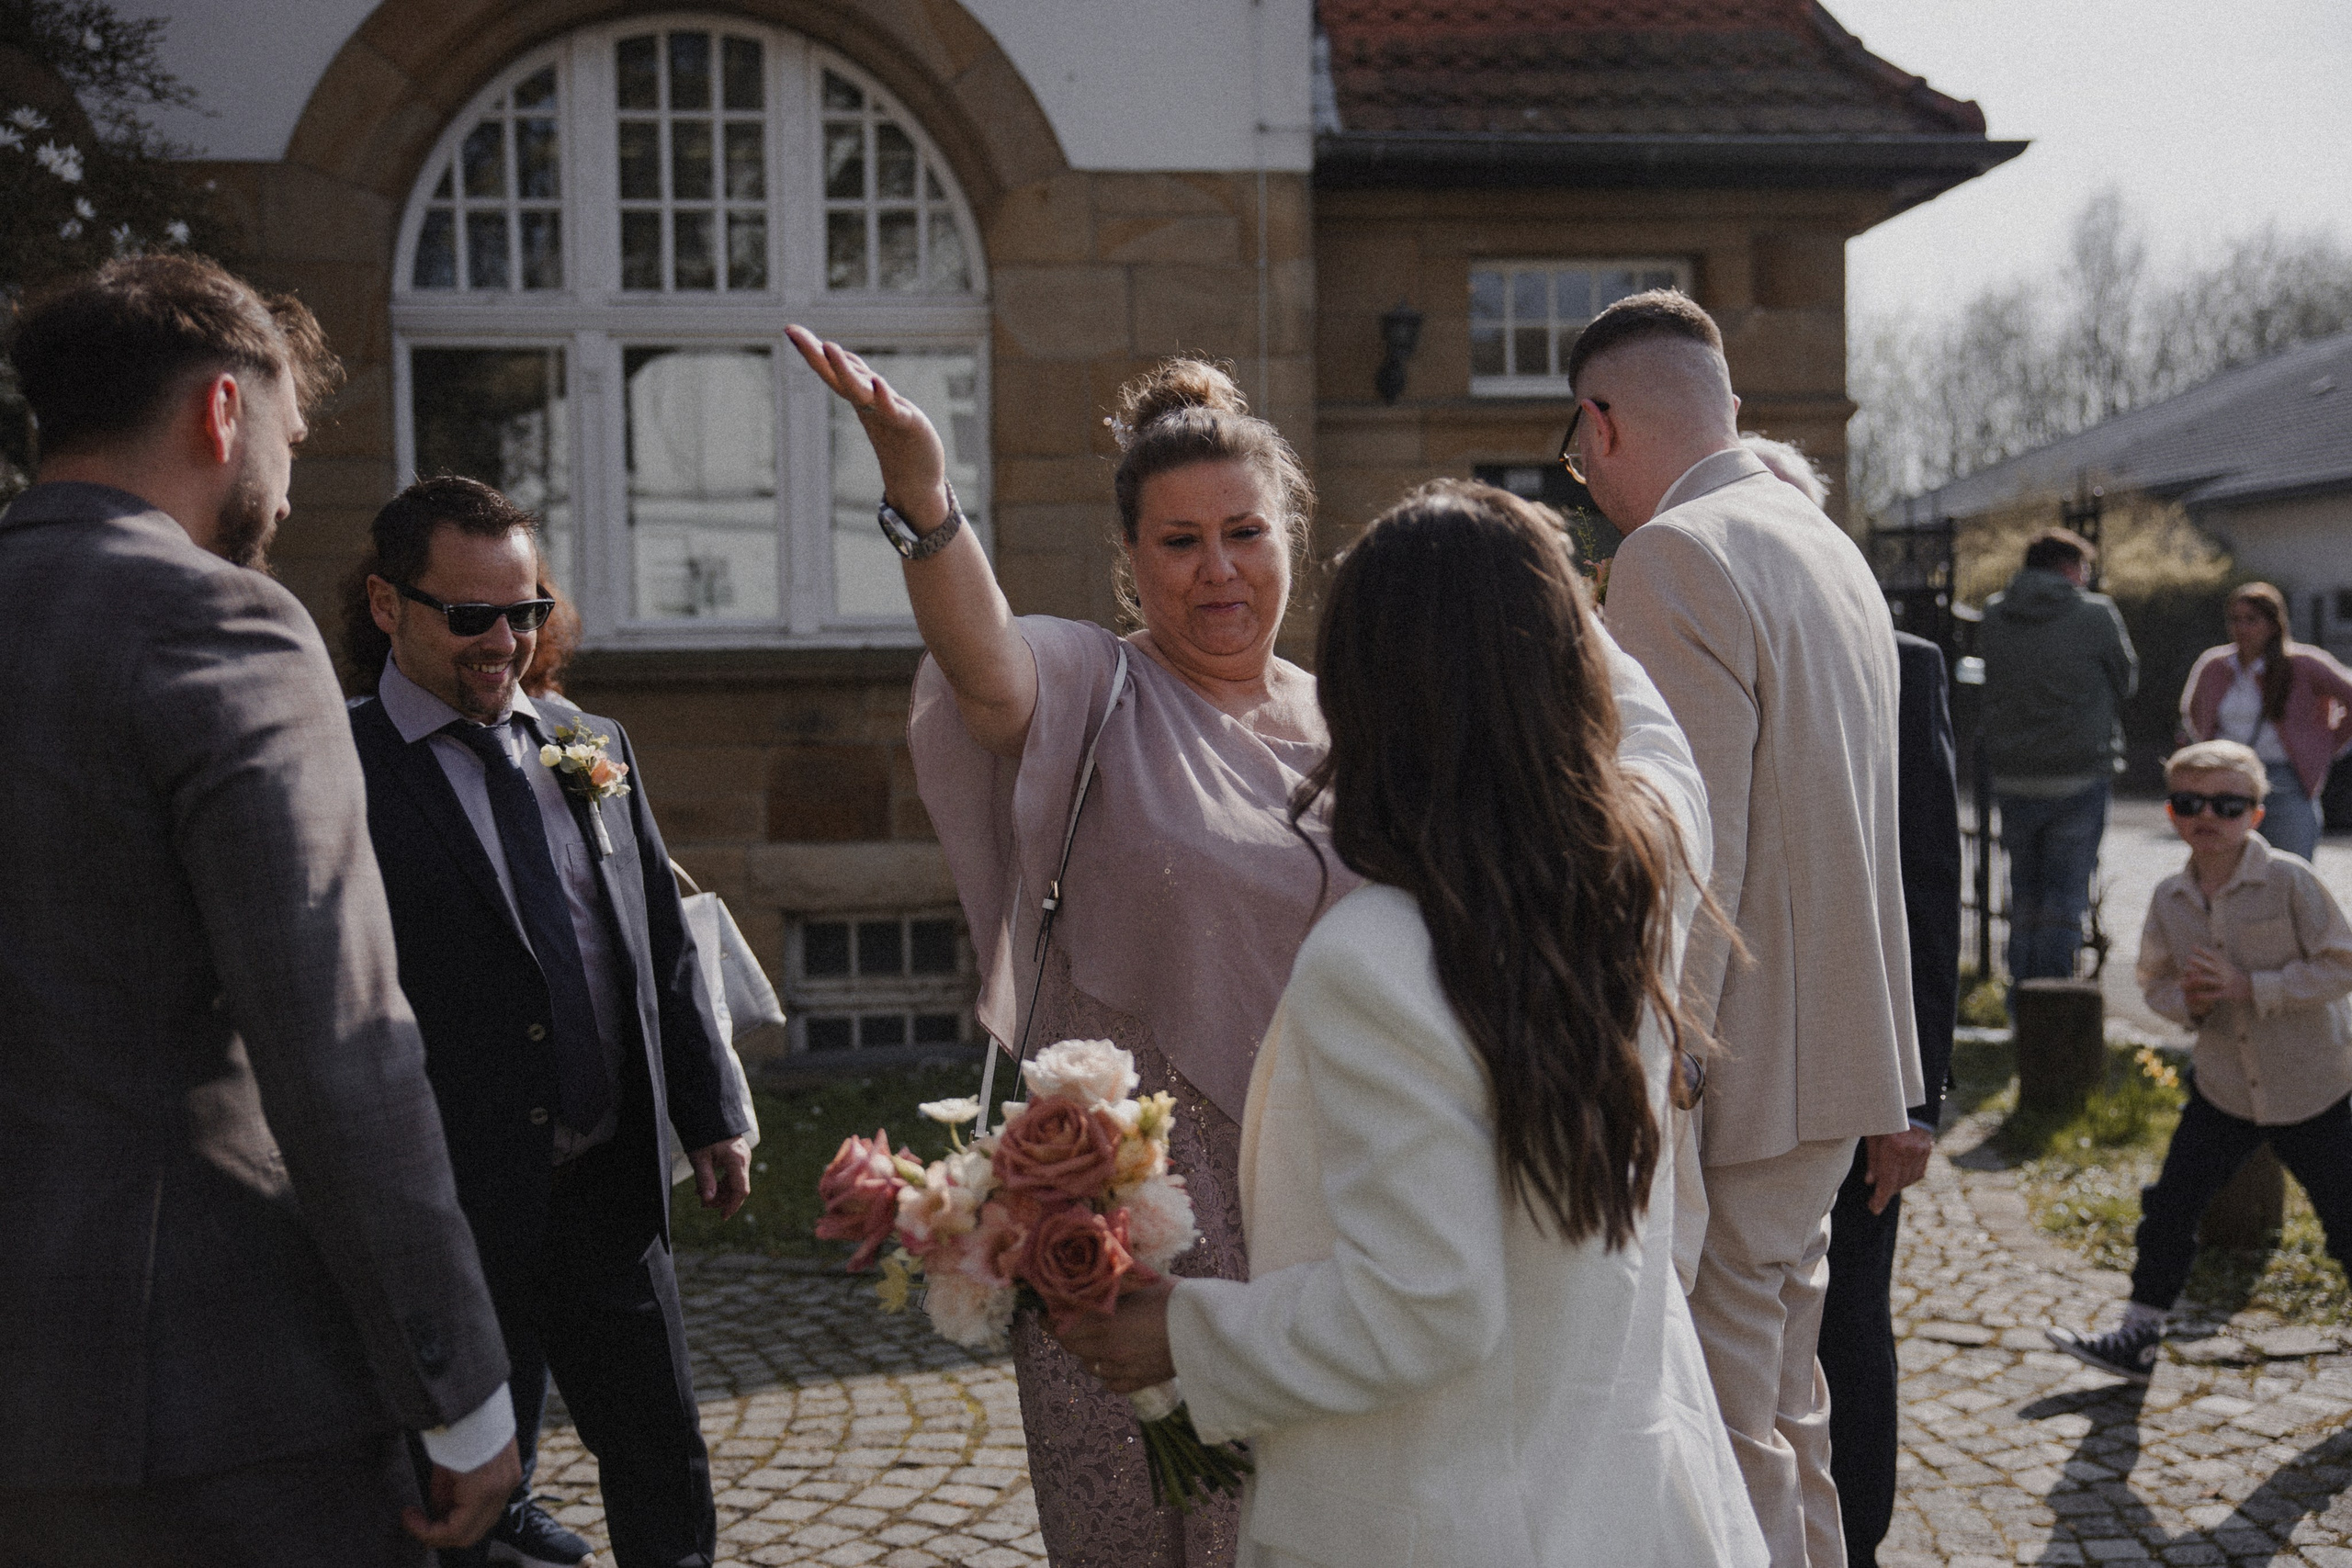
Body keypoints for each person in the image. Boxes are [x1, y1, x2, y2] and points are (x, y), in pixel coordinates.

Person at [1049, 481, 1765, 1566]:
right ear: (1567, 667)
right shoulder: (1641, 879)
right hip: (1622, 1507)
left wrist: (1179, 1334)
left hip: (1437, 1526)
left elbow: (1423, 1308)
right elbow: (1662, 748)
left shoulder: (1376, 959)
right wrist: (1522, 574)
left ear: (1374, 697)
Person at [787, 326, 1357, 1566]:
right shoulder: (1093, 684)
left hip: (1319, 1214)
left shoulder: (1353, 719)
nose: (1219, 570)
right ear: (1129, 558)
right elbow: (981, 663)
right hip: (1133, 1226)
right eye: (1180, 540)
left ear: (1290, 531)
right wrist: (925, 498)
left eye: (1245, 531)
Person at [0, 256, 517, 1562]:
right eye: (287, 441)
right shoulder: (214, 622)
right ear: (221, 413)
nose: (284, 492)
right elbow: (338, 1037)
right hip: (207, 1402)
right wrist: (457, 1389)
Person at [346, 476, 753, 1568]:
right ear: (388, 605)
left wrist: (710, 1112)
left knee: (661, 1460)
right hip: (452, 1204)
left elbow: (659, 941)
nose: (503, 643)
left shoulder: (589, 740)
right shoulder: (335, 768)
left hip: (605, 1184)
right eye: (470, 615)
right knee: (466, 1496)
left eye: (524, 612)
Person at [1575, 289, 1923, 1568]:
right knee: (1787, 1403)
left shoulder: (1677, 552)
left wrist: (1656, 1074)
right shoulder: (1825, 543)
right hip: (1837, 1056)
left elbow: (1685, 855)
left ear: (1601, 422)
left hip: (1738, 1072)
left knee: (1727, 1430)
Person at [1743, 435, 1959, 1567]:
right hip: (1742, 1076)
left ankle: (1855, 1547)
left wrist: (1913, 1099)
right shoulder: (1682, 639)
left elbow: (1927, 891)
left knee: (1849, 1331)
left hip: (1866, 1081)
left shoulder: (1904, 662)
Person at [2048, 739, 2352, 1382]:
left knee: (2345, 1217)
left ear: (2257, 814)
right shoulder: (2169, 897)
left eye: (2227, 803)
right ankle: (2137, 1334)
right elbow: (2152, 979)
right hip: (2224, 1088)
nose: (2207, 815)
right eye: (2190, 802)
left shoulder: (2290, 879)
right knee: (2170, 1206)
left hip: (2313, 1086)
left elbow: (2341, 963)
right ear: (2171, 810)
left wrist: (2253, 987)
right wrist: (2186, 1002)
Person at [1976, 528, 2138, 981]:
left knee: (2024, 894)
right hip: (2080, 772)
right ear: (2070, 567)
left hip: (2013, 773)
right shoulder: (2096, 614)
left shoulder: (1994, 613)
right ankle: (2052, 1008)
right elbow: (2127, 681)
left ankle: (2019, 1002)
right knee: (2065, 899)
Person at [2177, 581, 2352, 863]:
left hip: (2285, 777)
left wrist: (2326, 744)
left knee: (2289, 869)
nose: (2242, 628)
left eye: (2251, 620)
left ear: (2272, 624)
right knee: (2226, 868)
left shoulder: (2302, 664)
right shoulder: (2216, 665)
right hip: (2228, 779)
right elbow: (2194, 711)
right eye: (2235, 620)